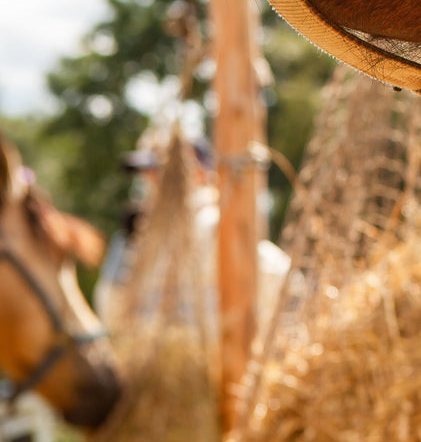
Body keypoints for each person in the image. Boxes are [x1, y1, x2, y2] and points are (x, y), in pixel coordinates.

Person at [95, 131, 289, 337]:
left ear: (199, 174)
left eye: (161, 172)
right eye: (146, 174)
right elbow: (110, 304)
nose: (148, 182)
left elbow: (279, 281)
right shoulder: (136, 238)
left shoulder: (213, 225)